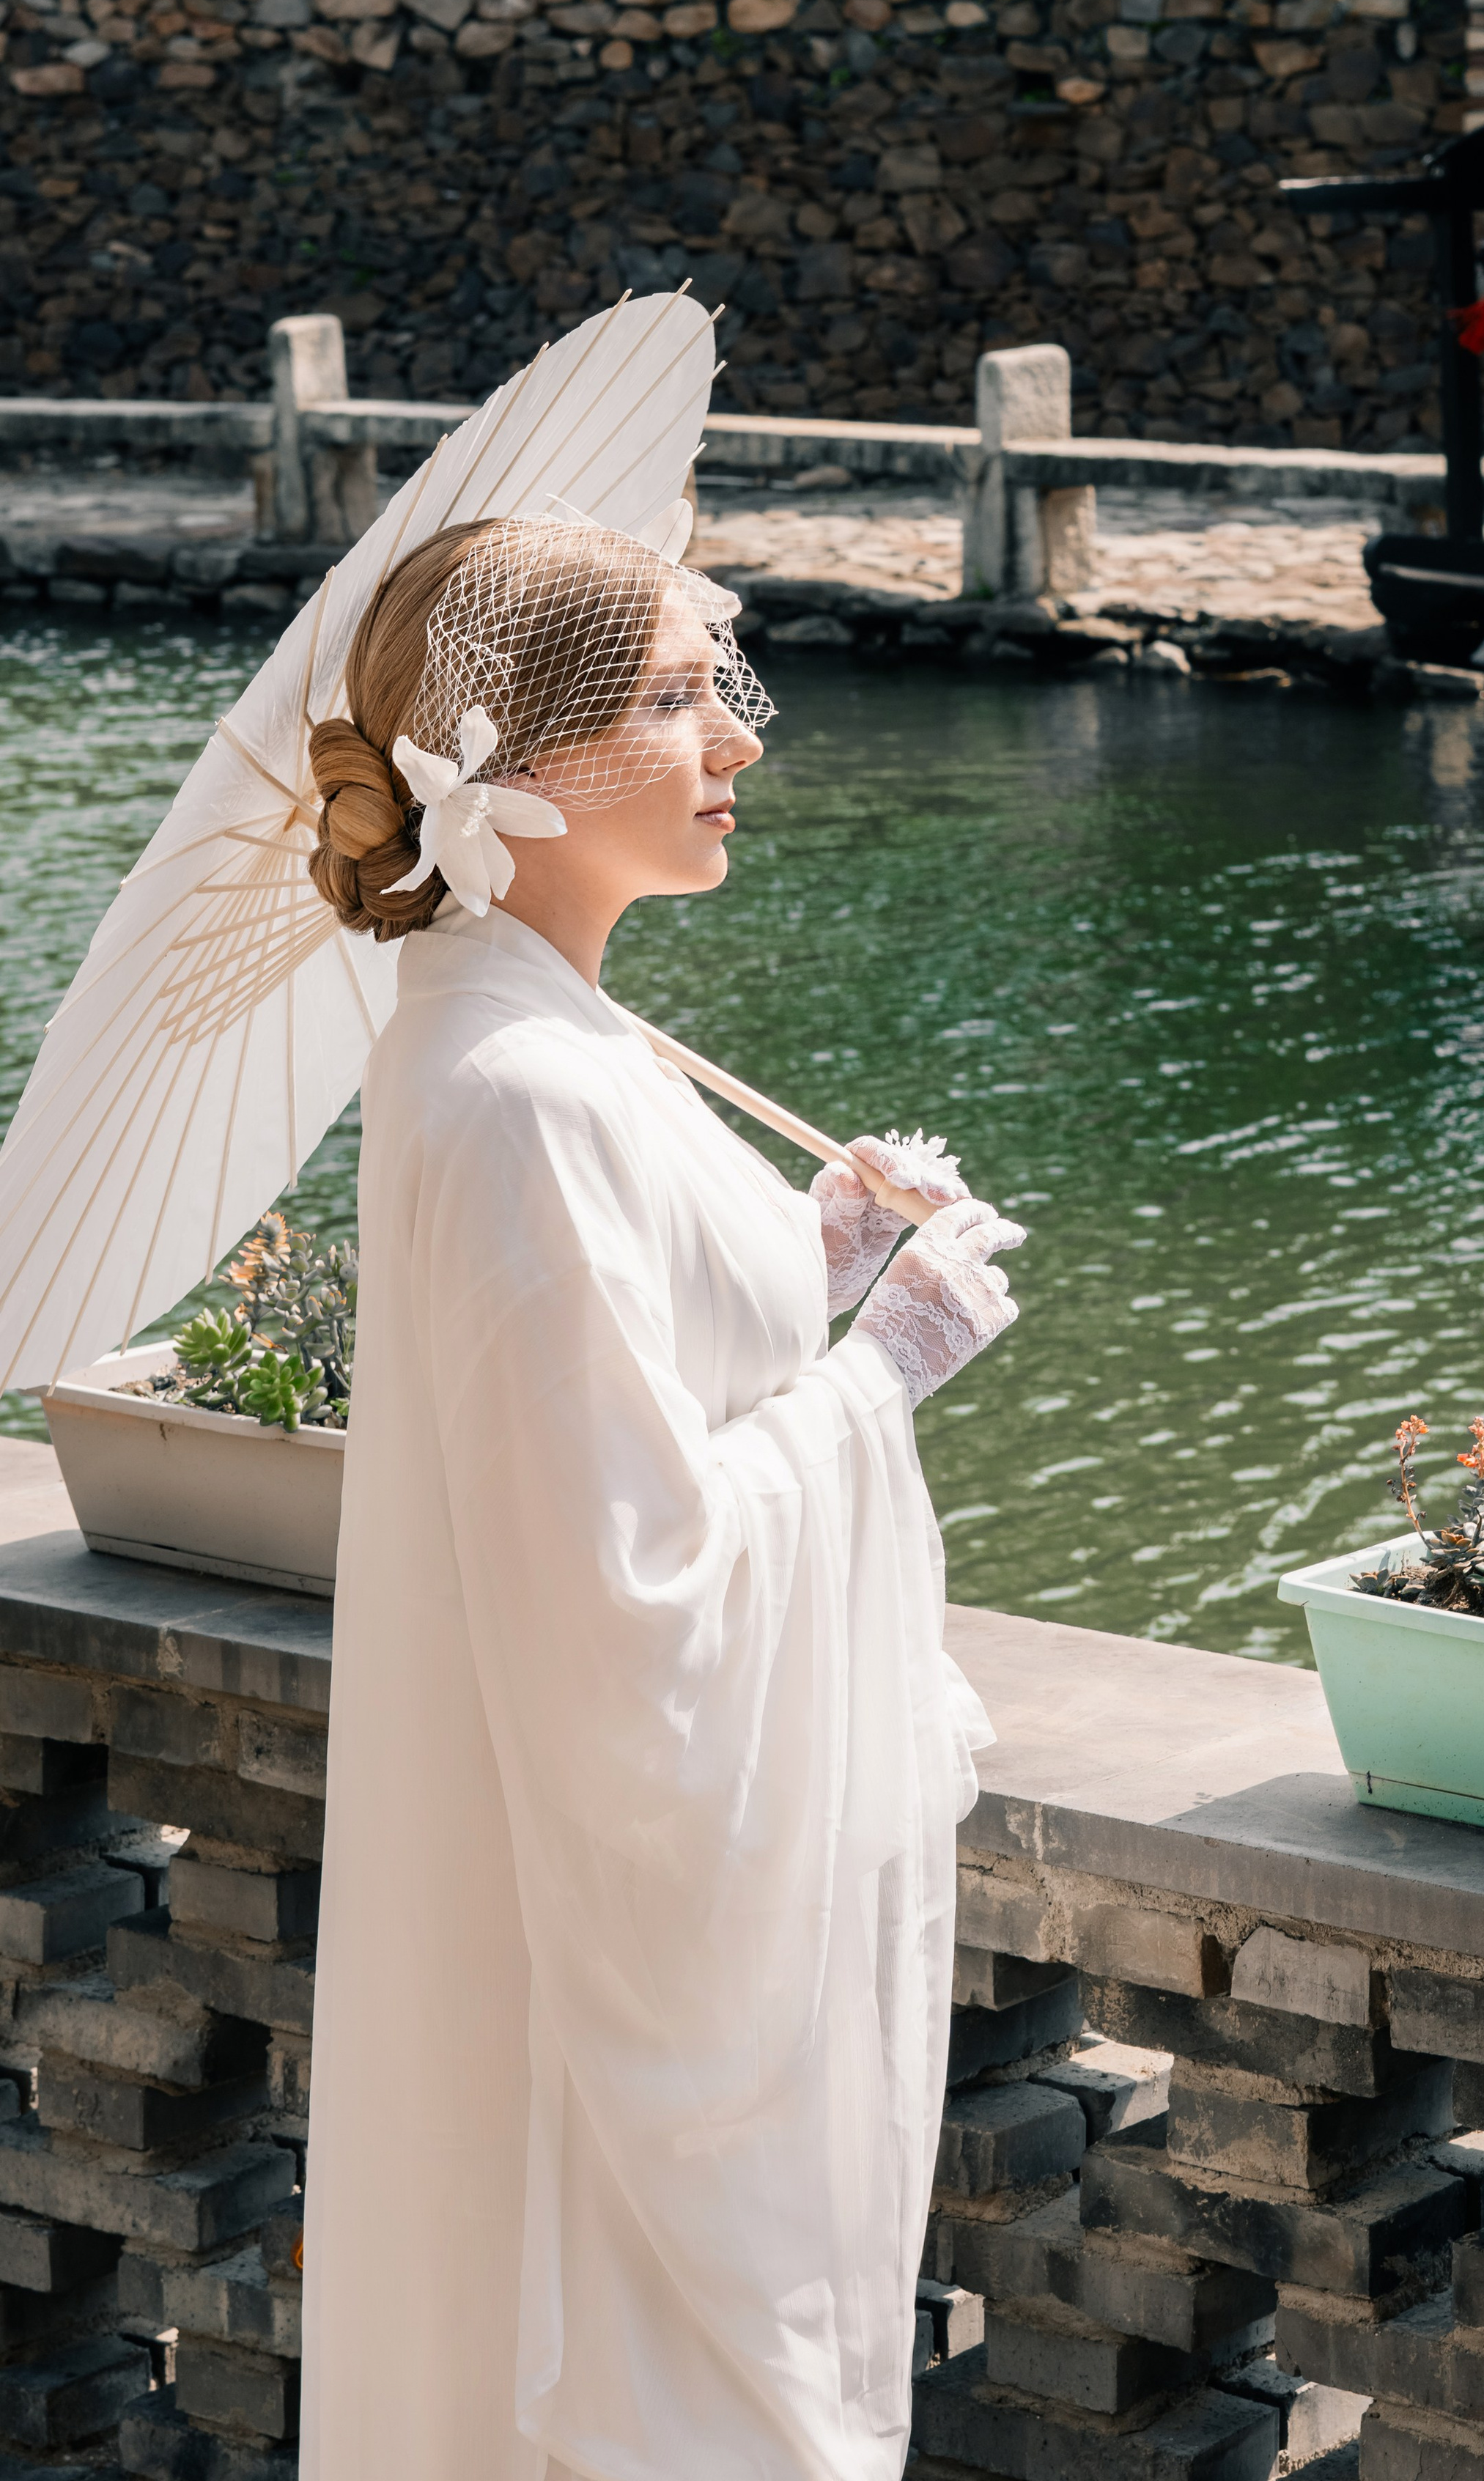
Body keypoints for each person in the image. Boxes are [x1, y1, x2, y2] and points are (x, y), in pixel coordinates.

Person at [297, 514, 1026, 2481]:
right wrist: (888, 1372)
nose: (742, 741)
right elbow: (629, 1588)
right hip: (592, 2003)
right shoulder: (517, 1086)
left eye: (723, 691)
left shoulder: (562, 1037)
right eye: (679, 698)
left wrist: (819, 1248)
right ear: (510, 766)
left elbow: (632, 1367)